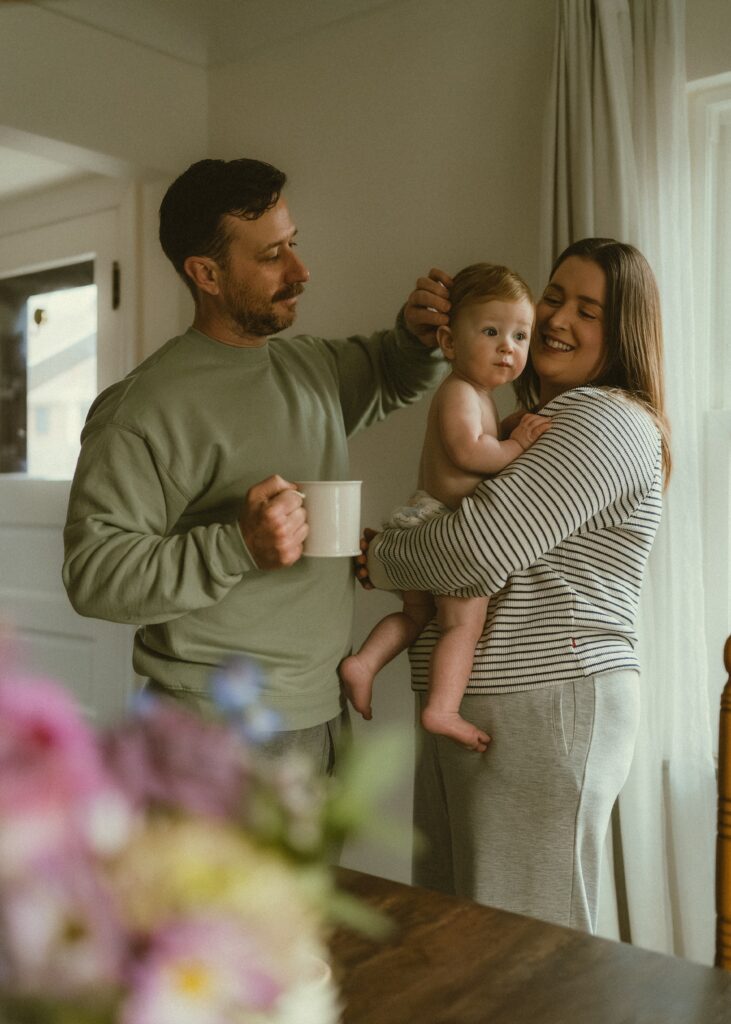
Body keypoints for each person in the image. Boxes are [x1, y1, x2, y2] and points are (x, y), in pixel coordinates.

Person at [62, 157, 448, 771]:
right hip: (212, 736)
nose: (300, 270)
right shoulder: (142, 410)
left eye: (293, 244)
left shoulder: (310, 369)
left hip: (322, 712)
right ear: (206, 273)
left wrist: (418, 333)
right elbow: (96, 575)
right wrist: (239, 545)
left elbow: (390, 369)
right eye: (272, 256)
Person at [359, 238, 671, 933]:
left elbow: (472, 549)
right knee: (459, 932)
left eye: (587, 310)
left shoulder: (605, 420)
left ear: (620, 332)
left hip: (547, 694)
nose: (558, 319)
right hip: (491, 696)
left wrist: (379, 557)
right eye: (554, 296)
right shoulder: (534, 422)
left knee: (527, 943)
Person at [339, 263, 551, 752]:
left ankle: (364, 662)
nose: (508, 347)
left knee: (416, 618)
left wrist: (508, 428)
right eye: (492, 331)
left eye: (521, 335)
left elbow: (481, 442)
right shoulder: (458, 391)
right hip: (438, 523)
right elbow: (468, 453)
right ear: (450, 343)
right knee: (463, 623)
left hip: (424, 521)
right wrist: (515, 445)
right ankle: (442, 708)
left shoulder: (479, 395)